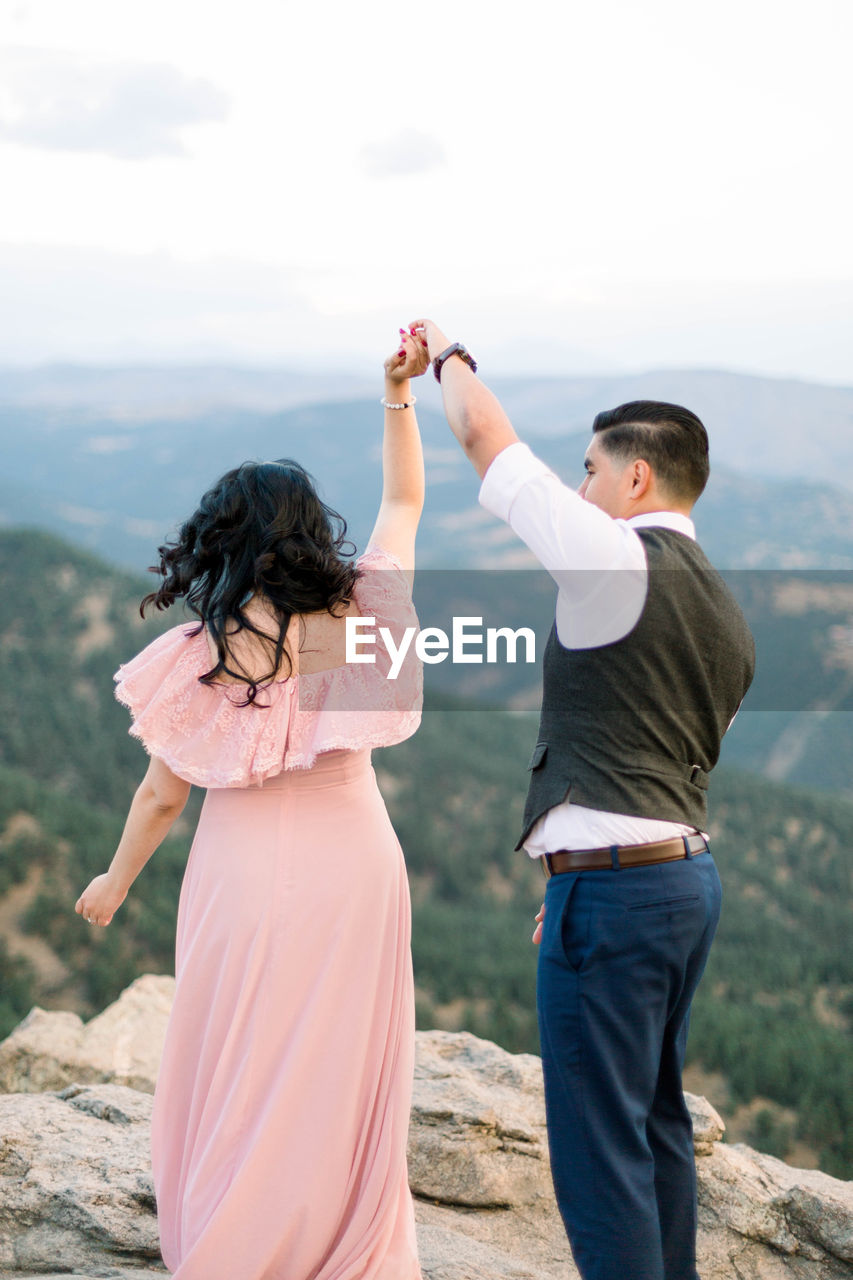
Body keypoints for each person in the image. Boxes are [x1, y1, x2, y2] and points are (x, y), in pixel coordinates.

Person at [74, 328, 430, 1280]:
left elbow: (159, 797)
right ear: (313, 532)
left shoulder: (200, 656)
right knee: (340, 1061)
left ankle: (235, 1245)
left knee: (242, 1059)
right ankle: (341, 1243)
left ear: (218, 538)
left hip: (242, 876)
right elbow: (404, 498)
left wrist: (113, 881)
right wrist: (396, 395)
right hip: (357, 865)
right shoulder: (366, 610)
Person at [411, 318, 755, 1280]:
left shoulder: (613, 559)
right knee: (653, 1123)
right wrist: (572, 872)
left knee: (598, 1152)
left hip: (619, 893)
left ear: (635, 480)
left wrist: (446, 355)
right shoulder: (727, 611)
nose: (580, 490)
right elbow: (669, 759)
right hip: (680, 882)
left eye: (591, 472)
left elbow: (485, 438)